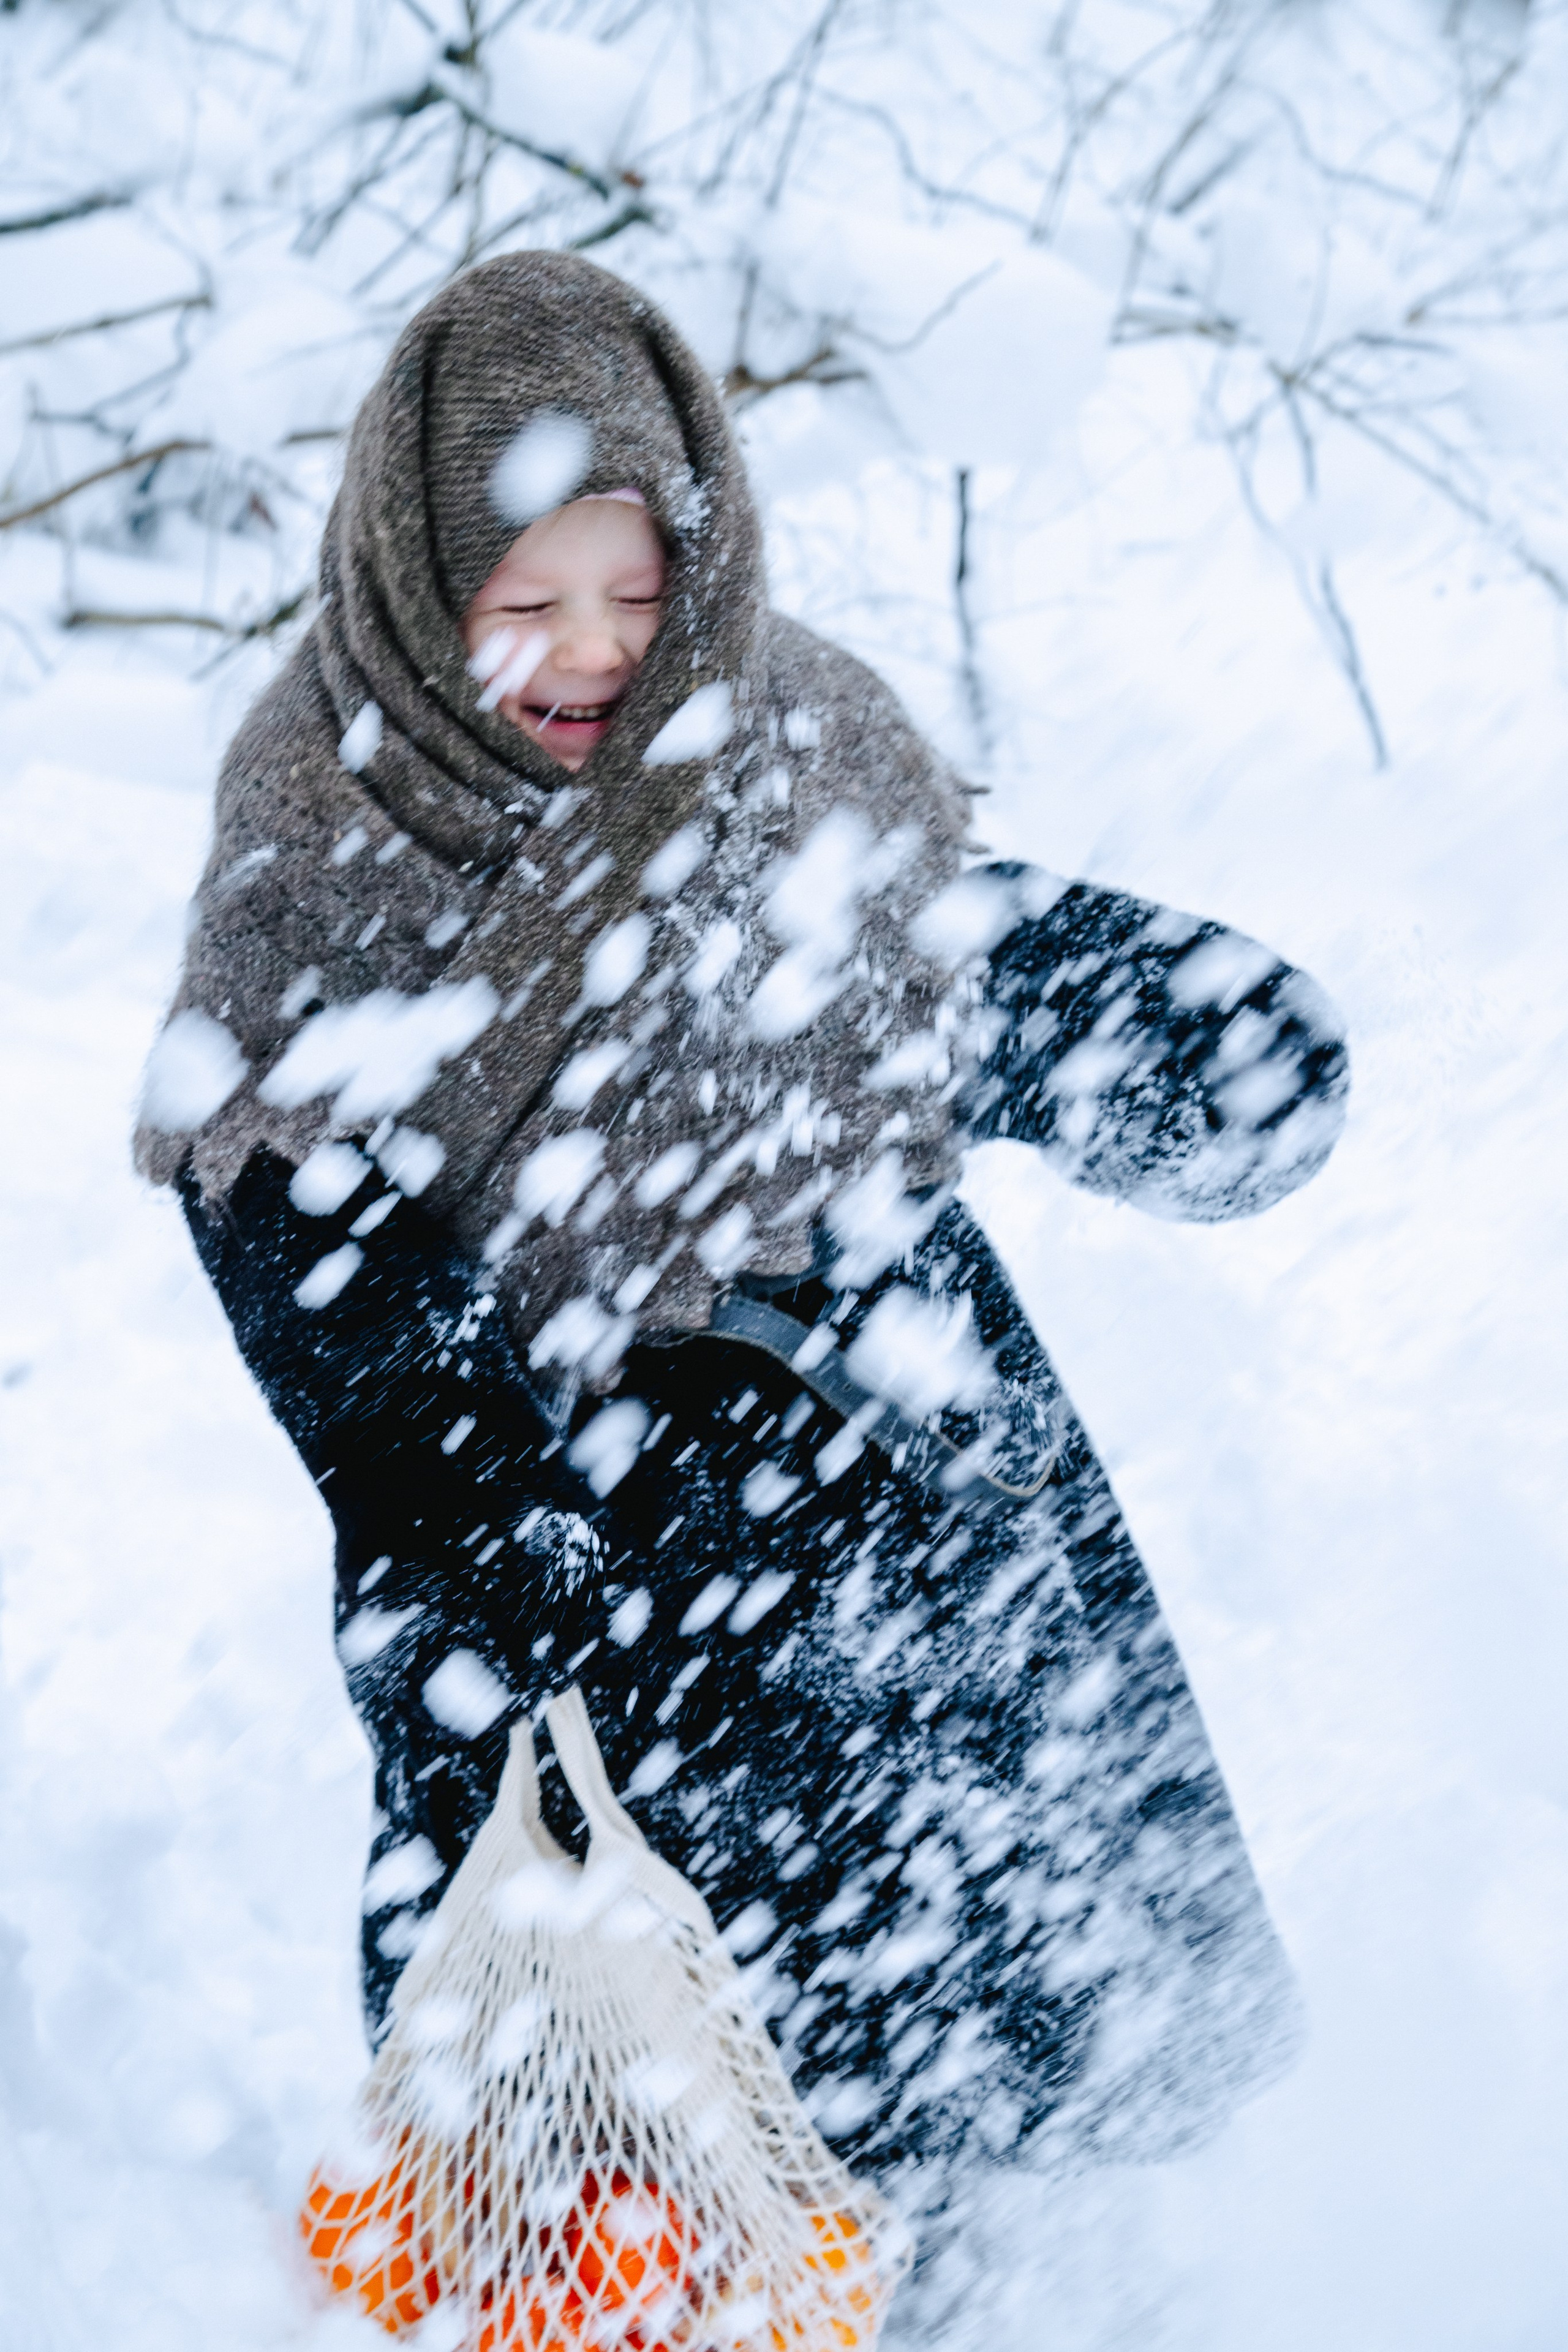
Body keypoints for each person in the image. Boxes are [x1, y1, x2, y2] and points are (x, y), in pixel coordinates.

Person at [136, 251, 1348, 2212]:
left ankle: (1053, 2242)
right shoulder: (328, 827)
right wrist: (471, 1496)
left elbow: (912, 960)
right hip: (543, 1504)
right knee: (620, 1989)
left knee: (1004, 1939)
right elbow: (290, 1210)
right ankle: (646, 2236)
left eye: (636, 595)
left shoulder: (783, 736)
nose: (592, 652)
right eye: (524, 604)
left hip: (880, 1436)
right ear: (418, 585)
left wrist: (1143, 1020)